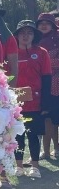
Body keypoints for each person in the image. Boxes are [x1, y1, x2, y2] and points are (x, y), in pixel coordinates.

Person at [13, 20, 51, 178]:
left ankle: (35, 166)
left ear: (34, 35)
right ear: (16, 35)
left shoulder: (42, 52)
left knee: (34, 135)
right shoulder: (11, 52)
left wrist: (46, 104)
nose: (25, 36)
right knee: (17, 136)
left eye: (29, 33)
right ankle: (19, 166)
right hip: (15, 102)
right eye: (22, 33)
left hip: (36, 102)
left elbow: (47, 78)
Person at [37, 12, 59, 159]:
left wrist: (43, 63)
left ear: (52, 25)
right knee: (46, 119)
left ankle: (56, 148)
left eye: (47, 23)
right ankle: (45, 151)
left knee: (55, 119)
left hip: (56, 84)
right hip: (41, 85)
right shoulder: (34, 39)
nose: (44, 26)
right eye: (41, 23)